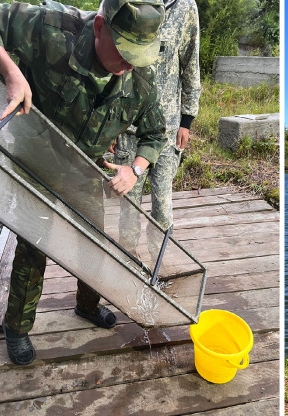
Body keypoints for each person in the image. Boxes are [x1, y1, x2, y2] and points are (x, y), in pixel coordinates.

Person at [0, 0, 168, 365]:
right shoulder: (51, 27)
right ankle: (17, 328)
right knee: (34, 245)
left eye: (139, 57)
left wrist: (135, 169)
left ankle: (87, 306)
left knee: (96, 241)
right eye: (124, 52)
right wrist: (11, 71)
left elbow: (156, 134)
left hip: (88, 169)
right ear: (99, 27)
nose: (129, 66)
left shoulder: (140, 77)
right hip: (37, 160)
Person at [114, 0, 200, 250]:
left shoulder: (185, 7)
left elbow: (190, 65)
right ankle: (128, 262)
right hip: (129, 128)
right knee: (128, 205)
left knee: (162, 207)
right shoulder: (128, 3)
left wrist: (187, 120)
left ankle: (159, 264)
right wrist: (110, 125)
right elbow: (112, 63)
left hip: (168, 128)